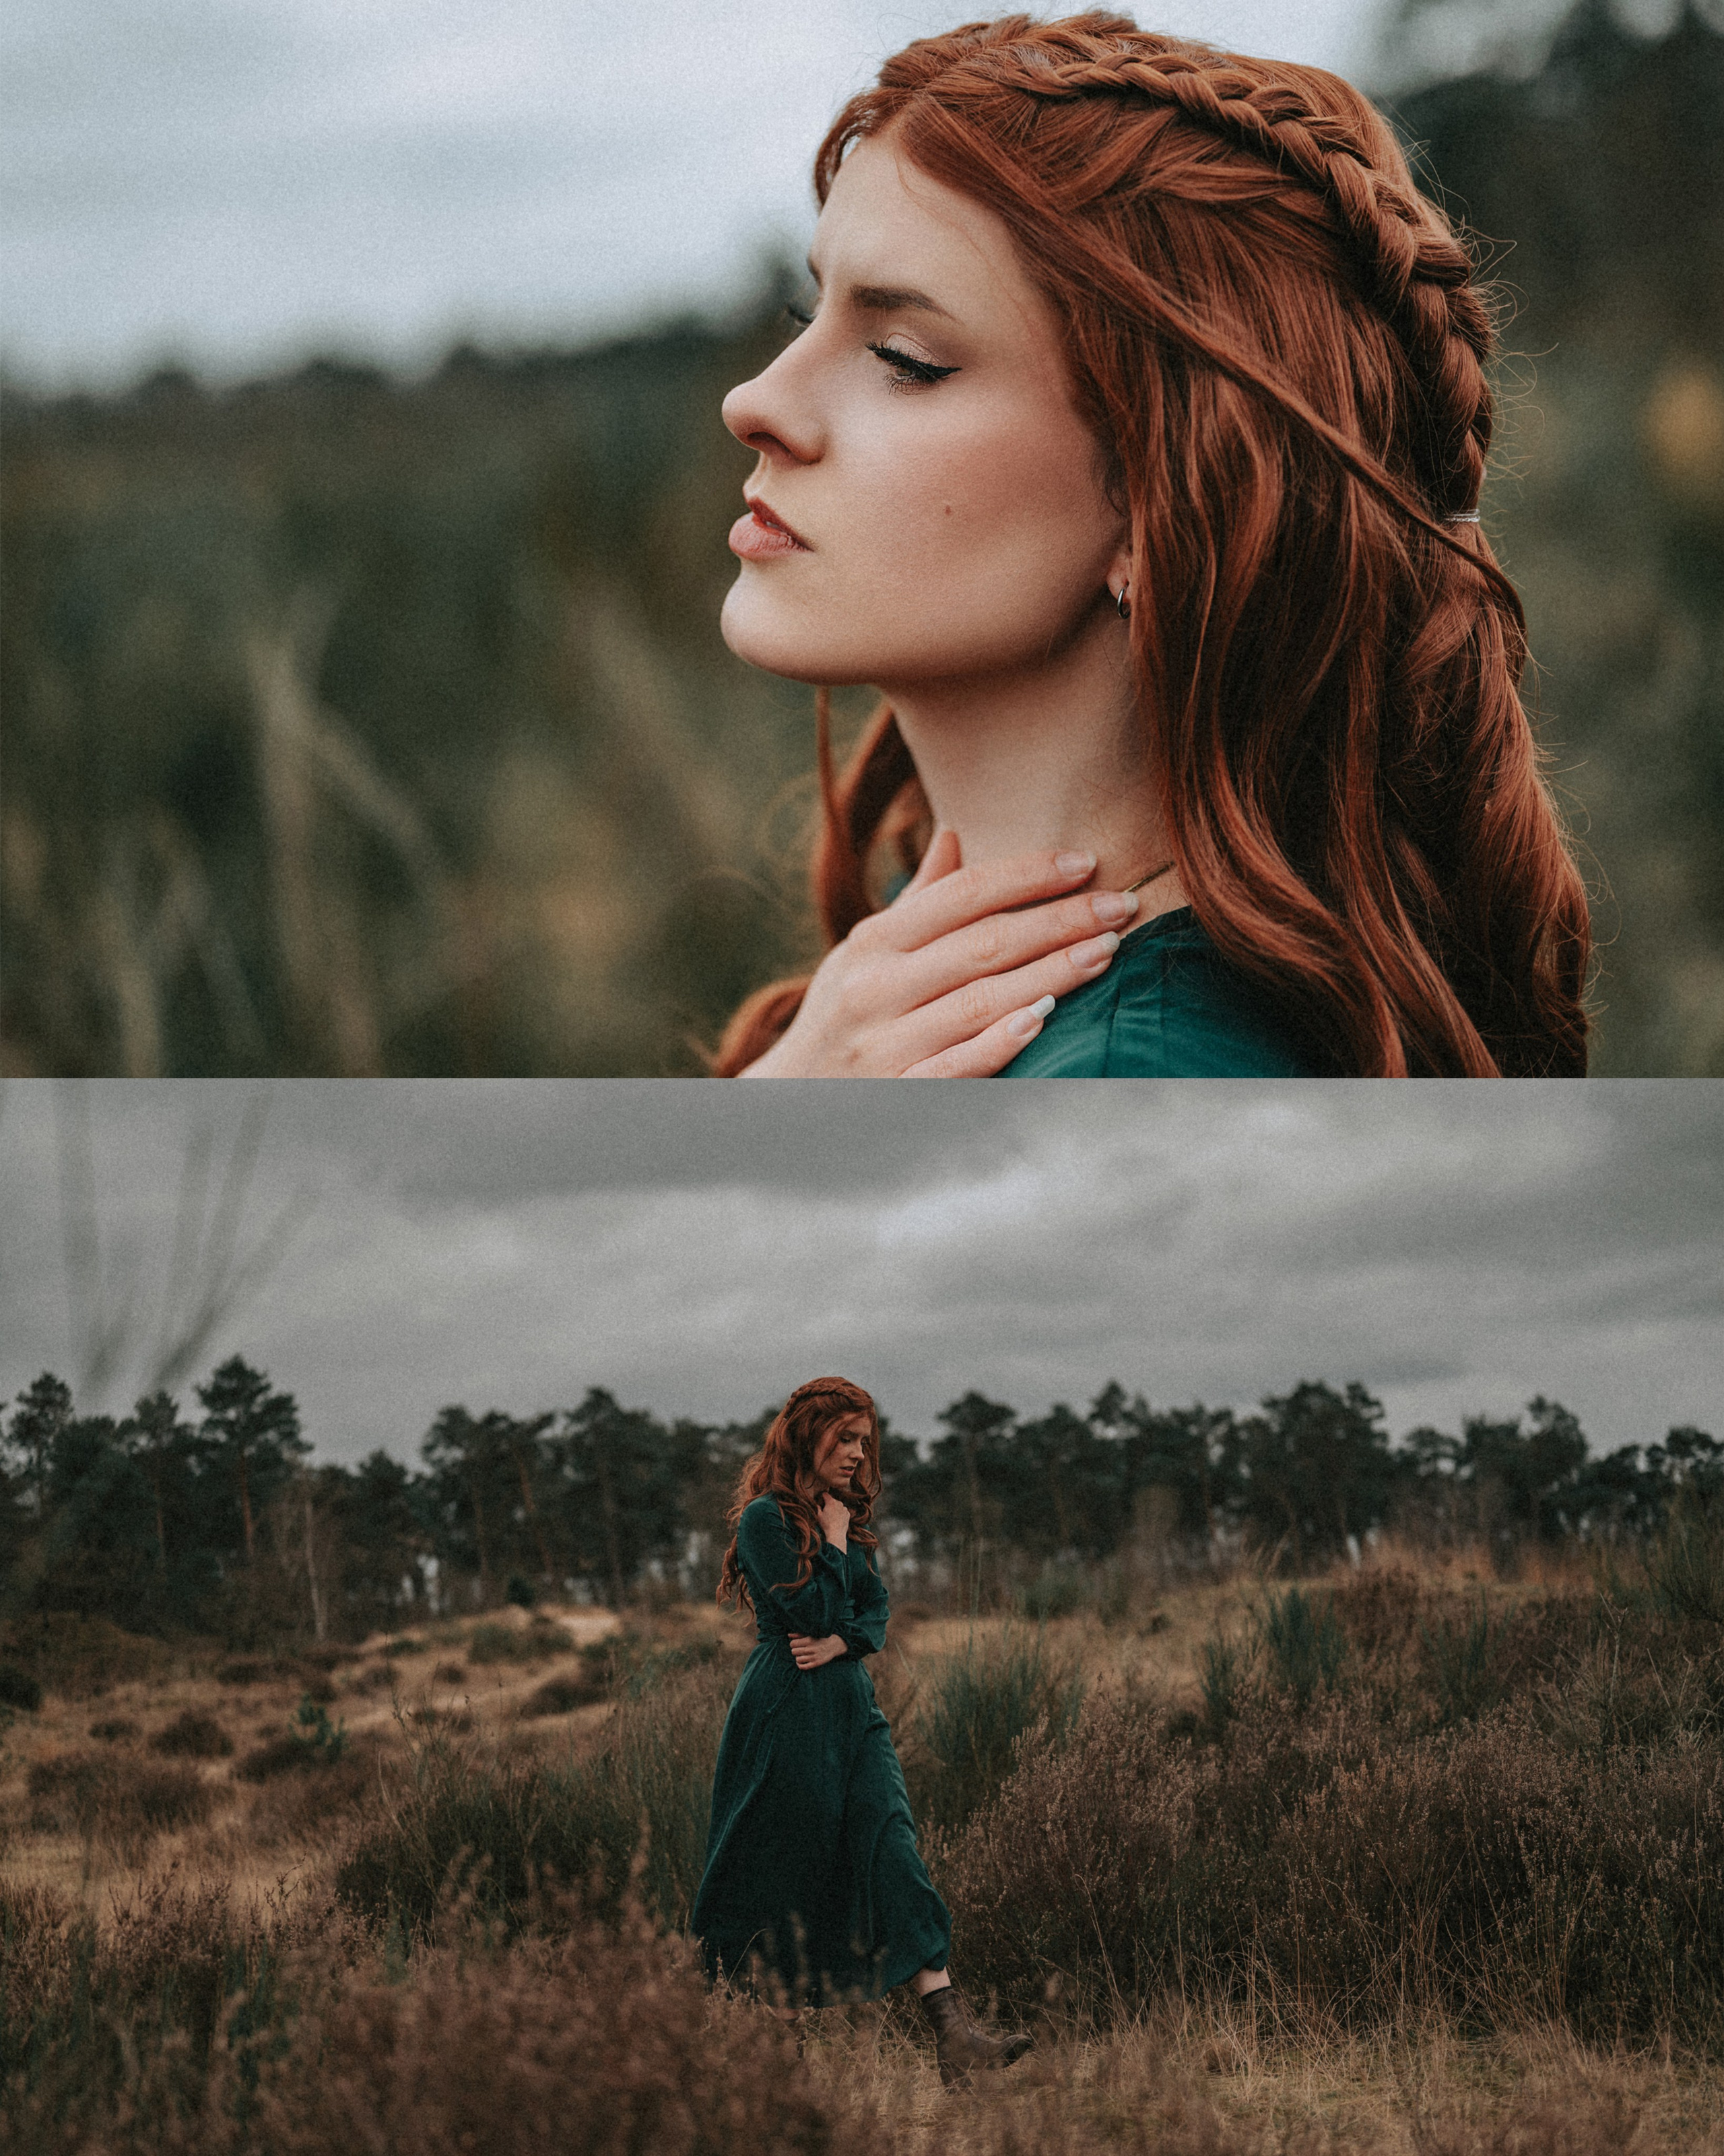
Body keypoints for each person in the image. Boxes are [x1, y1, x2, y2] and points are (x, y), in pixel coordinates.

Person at [710, 11, 1591, 1079]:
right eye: (811, 312)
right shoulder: (929, 988)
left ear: (1157, 504)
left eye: (904, 356)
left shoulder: (1133, 1081)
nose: (756, 401)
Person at [692, 1375, 1032, 2085]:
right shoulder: (764, 1521)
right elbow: (813, 1609)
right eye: (844, 1438)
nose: (856, 1454)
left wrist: (846, 1641)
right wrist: (839, 1558)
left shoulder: (843, 1516)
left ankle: (956, 2037)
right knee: (790, 1873)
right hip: (786, 1713)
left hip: (849, 1705)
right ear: (805, 1435)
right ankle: (781, 2073)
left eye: (863, 1442)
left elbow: (871, 1616)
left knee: (893, 1847)